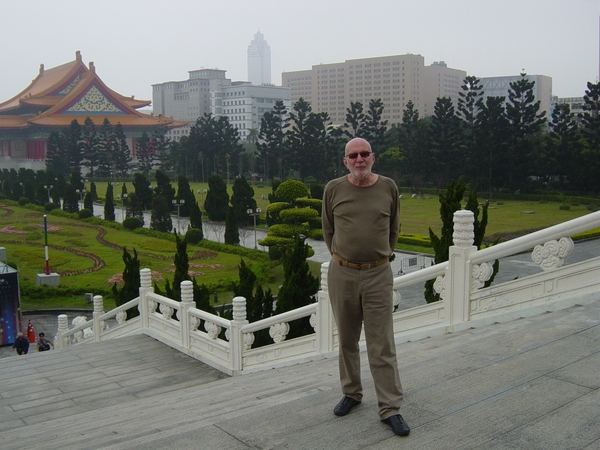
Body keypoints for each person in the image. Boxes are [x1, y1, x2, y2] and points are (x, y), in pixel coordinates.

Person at [322, 137, 410, 437]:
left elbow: (394, 228)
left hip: (378, 275)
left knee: (381, 344)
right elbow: (328, 229)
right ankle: (352, 392)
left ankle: (390, 407)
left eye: (364, 154)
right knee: (347, 339)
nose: (359, 159)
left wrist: (378, 257)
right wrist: (345, 257)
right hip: (343, 273)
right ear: (345, 161)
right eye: (353, 155)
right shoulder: (333, 189)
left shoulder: (388, 187)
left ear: (373, 158)